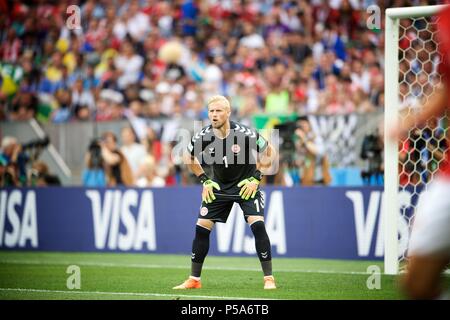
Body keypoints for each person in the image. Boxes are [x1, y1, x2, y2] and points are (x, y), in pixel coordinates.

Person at [173, 95, 278, 290]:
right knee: (201, 228)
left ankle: (269, 278)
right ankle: (194, 280)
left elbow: (270, 152)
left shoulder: (244, 133)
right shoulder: (203, 135)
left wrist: (256, 178)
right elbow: (188, 156)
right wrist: (205, 180)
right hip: (219, 186)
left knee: (257, 226)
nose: (214, 115)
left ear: (228, 113)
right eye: (211, 111)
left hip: (245, 185)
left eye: (219, 111)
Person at [388, 5, 450, 300]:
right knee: (416, 282)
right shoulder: (444, 19)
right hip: (449, 175)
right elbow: (446, 89)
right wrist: (408, 122)